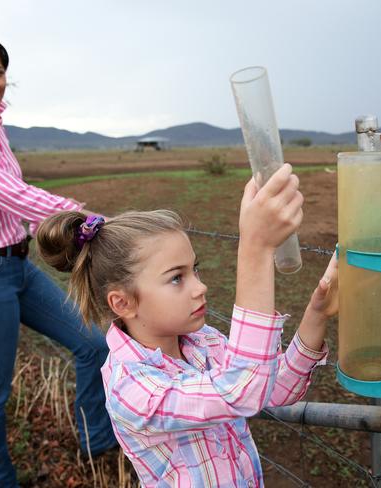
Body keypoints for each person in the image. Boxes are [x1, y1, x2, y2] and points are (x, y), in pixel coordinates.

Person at [35, 163, 338, 487]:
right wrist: (255, 249)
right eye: (177, 277)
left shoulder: (201, 341)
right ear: (122, 303)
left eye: (195, 270)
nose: (200, 287)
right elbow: (243, 392)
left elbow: (273, 389)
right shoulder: (132, 387)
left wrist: (316, 313)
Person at [0, 31, 117, 487]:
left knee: (94, 344)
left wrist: (61, 239)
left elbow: (14, 206)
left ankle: (97, 442)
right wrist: (84, 220)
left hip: (17, 266)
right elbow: (11, 195)